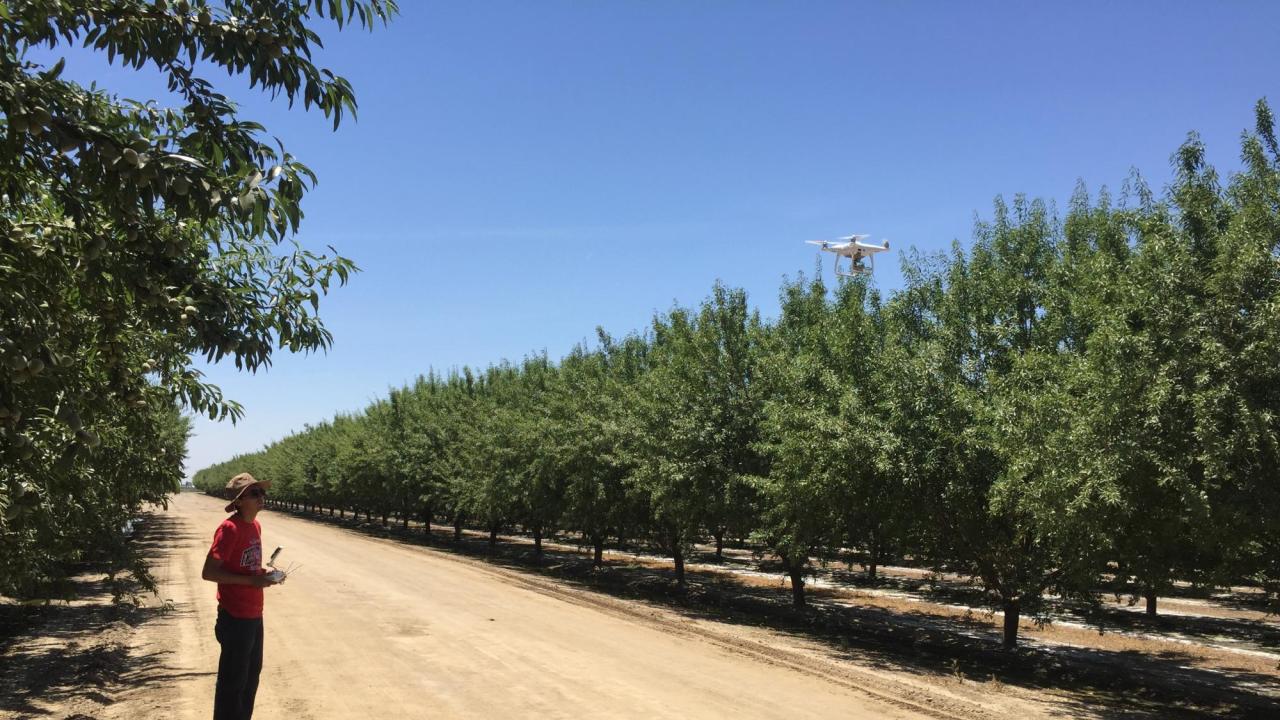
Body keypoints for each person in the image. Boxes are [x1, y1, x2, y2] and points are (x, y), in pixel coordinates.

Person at [202, 472, 281, 720]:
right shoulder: (229, 529)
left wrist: (264, 574)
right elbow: (209, 572)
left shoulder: (254, 525)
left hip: (254, 614)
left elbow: (245, 566)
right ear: (239, 501)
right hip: (235, 616)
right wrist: (252, 581)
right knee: (232, 683)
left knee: (250, 678)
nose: (261, 497)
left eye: (261, 492)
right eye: (254, 493)